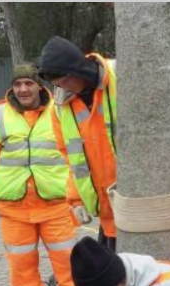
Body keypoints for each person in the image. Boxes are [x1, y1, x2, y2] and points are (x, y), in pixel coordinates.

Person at [0, 63, 103, 286]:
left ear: (40, 86)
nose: (24, 89)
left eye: (29, 83)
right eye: (18, 84)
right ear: (12, 88)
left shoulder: (59, 113)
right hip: (15, 208)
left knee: (71, 265)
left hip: (55, 205)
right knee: (22, 268)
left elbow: (74, 154)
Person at [38, 36, 118, 247]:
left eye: (64, 82)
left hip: (137, 205)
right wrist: (76, 200)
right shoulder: (61, 106)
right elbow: (71, 159)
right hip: (109, 211)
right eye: (56, 85)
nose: (62, 89)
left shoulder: (119, 75)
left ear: (77, 71)